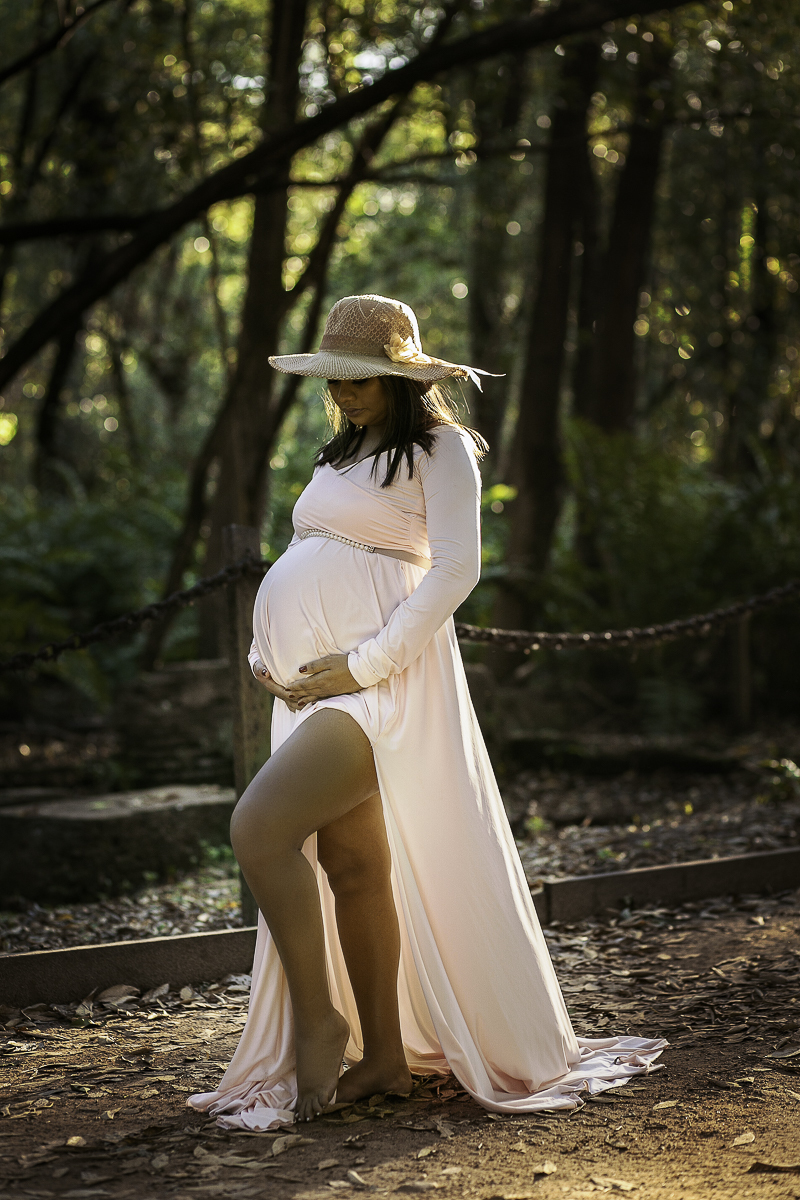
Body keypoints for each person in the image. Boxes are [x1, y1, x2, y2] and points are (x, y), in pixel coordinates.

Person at [189, 294, 665, 1131]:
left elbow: (454, 572)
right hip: (314, 690)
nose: (345, 392)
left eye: (362, 378)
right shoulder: (342, 453)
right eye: (336, 378)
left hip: (384, 688)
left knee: (258, 829)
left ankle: (318, 1021)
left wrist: (362, 664)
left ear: (403, 378)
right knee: (354, 868)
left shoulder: (442, 448)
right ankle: (382, 1057)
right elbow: (309, 553)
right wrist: (272, 650)